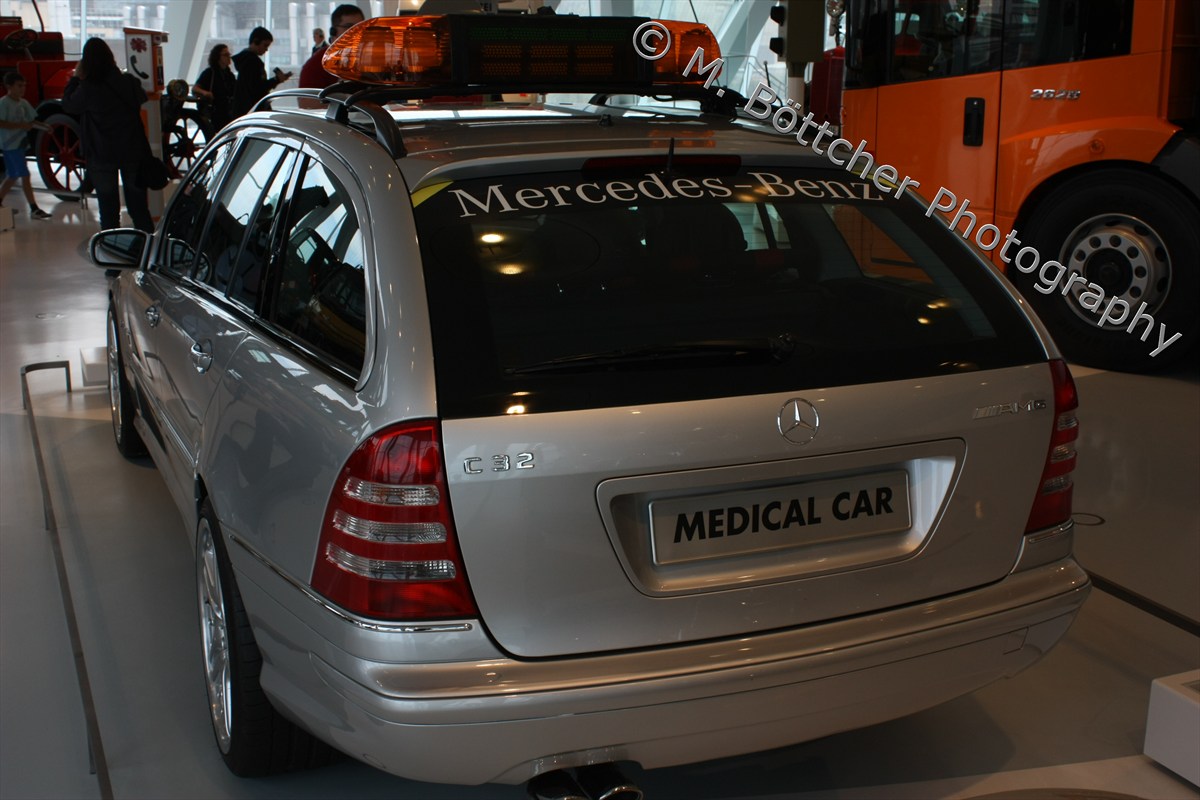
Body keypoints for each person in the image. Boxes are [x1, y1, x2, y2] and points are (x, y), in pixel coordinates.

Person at [62, 39, 154, 232]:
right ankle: (148, 245)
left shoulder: (87, 88)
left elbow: (69, 105)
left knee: (108, 210)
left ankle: (111, 246)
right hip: (132, 150)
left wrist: (76, 78)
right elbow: (142, 97)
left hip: (101, 153)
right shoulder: (128, 82)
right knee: (138, 207)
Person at [0, 71, 52, 220]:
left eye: (24, 86)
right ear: (9, 86)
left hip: (20, 144)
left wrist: (44, 126)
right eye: (19, 86)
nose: (22, 89)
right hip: (10, 145)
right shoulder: (4, 103)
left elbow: (30, 121)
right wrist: (20, 125)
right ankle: (34, 208)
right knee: (24, 175)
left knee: (12, 175)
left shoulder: (23, 103)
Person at [299, 5, 365, 92]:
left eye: (361, 27)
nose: (357, 32)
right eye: (349, 27)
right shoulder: (315, 66)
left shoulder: (370, 60)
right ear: (333, 32)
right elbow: (306, 100)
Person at [232, 27, 292, 118]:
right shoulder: (253, 62)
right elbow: (258, 88)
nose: (266, 49)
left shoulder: (243, 60)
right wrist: (276, 80)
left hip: (244, 110)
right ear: (256, 42)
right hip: (254, 110)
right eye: (265, 45)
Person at [193, 44, 236, 131]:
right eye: (225, 55)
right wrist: (206, 93)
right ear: (217, 57)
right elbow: (195, 89)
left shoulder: (229, 74)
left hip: (227, 112)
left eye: (229, 54)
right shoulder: (209, 73)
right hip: (216, 113)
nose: (229, 57)